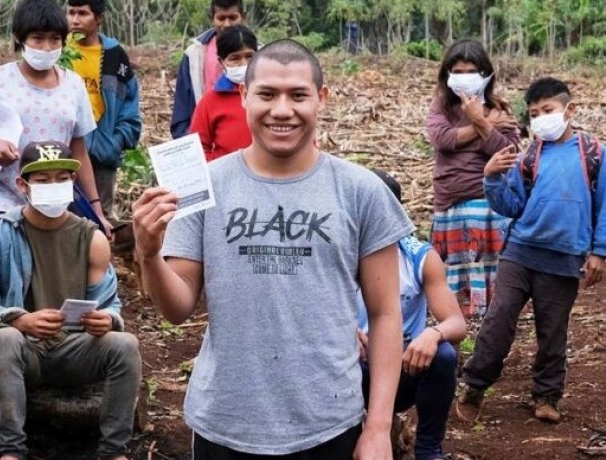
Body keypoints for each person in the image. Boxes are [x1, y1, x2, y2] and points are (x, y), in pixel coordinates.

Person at [134, 39, 413, 459]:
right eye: (266, 94)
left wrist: (377, 427)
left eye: (298, 95)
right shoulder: (204, 186)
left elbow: (385, 313)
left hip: (328, 422)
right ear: (244, 96)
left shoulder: (362, 191)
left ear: (321, 99)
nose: (282, 110)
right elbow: (177, 310)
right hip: (224, 421)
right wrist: (150, 254)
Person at [0, 140, 141, 460]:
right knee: (4, 338)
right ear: (22, 185)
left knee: (125, 345)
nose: (53, 186)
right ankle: (12, 450)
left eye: (62, 178)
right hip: (25, 350)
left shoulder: (92, 238)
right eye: (42, 180)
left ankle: (114, 451)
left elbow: (109, 303)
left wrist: (107, 319)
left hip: (75, 349)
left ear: (73, 182)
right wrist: (20, 319)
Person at [456, 77, 606, 424]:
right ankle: (475, 386)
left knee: (553, 330)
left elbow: (603, 206)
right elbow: (511, 206)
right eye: (534, 113)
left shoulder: (593, 153)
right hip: (520, 251)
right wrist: (491, 177)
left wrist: (599, 252)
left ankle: (547, 395)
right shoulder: (529, 157)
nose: (540, 119)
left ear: (570, 110)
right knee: (498, 320)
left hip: (565, 257)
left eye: (548, 110)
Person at [0, 0, 111, 234]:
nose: (47, 47)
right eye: (38, 38)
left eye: (55, 39)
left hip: (55, 202)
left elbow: (79, 152)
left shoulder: (73, 85)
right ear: (20, 38)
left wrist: (95, 209)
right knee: (12, 266)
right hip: (4, 201)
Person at [358, 170, 466, 460]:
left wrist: (433, 333)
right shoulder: (337, 253)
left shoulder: (419, 257)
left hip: (403, 363)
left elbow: (456, 323)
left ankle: (429, 448)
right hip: (351, 367)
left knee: (443, 356)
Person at [426, 39, 520, 317]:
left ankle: (489, 335)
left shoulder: (500, 106)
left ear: (485, 74)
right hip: (450, 206)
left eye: (471, 70)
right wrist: (487, 125)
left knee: (494, 284)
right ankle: (456, 335)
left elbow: (508, 153)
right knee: (453, 286)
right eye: (458, 70)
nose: (464, 77)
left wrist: (479, 122)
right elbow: (442, 138)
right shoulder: (442, 105)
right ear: (447, 74)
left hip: (489, 206)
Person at [67, 0, 142, 219]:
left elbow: (129, 98)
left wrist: (118, 139)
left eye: (83, 13)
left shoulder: (114, 54)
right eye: (71, 13)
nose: (75, 20)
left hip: (103, 149)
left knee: (101, 216)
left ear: (99, 18)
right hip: (66, 146)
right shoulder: (61, 50)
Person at [170, 0, 245, 139]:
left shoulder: (261, 54)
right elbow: (182, 111)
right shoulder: (193, 55)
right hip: (204, 141)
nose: (227, 24)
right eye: (221, 18)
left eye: (233, 18)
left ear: (243, 17)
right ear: (212, 19)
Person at [189, 24, 256, 162]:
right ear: (221, 62)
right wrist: (220, 167)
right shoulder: (210, 101)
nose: (244, 64)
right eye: (235, 58)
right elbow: (198, 149)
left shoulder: (274, 94)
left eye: (250, 56)